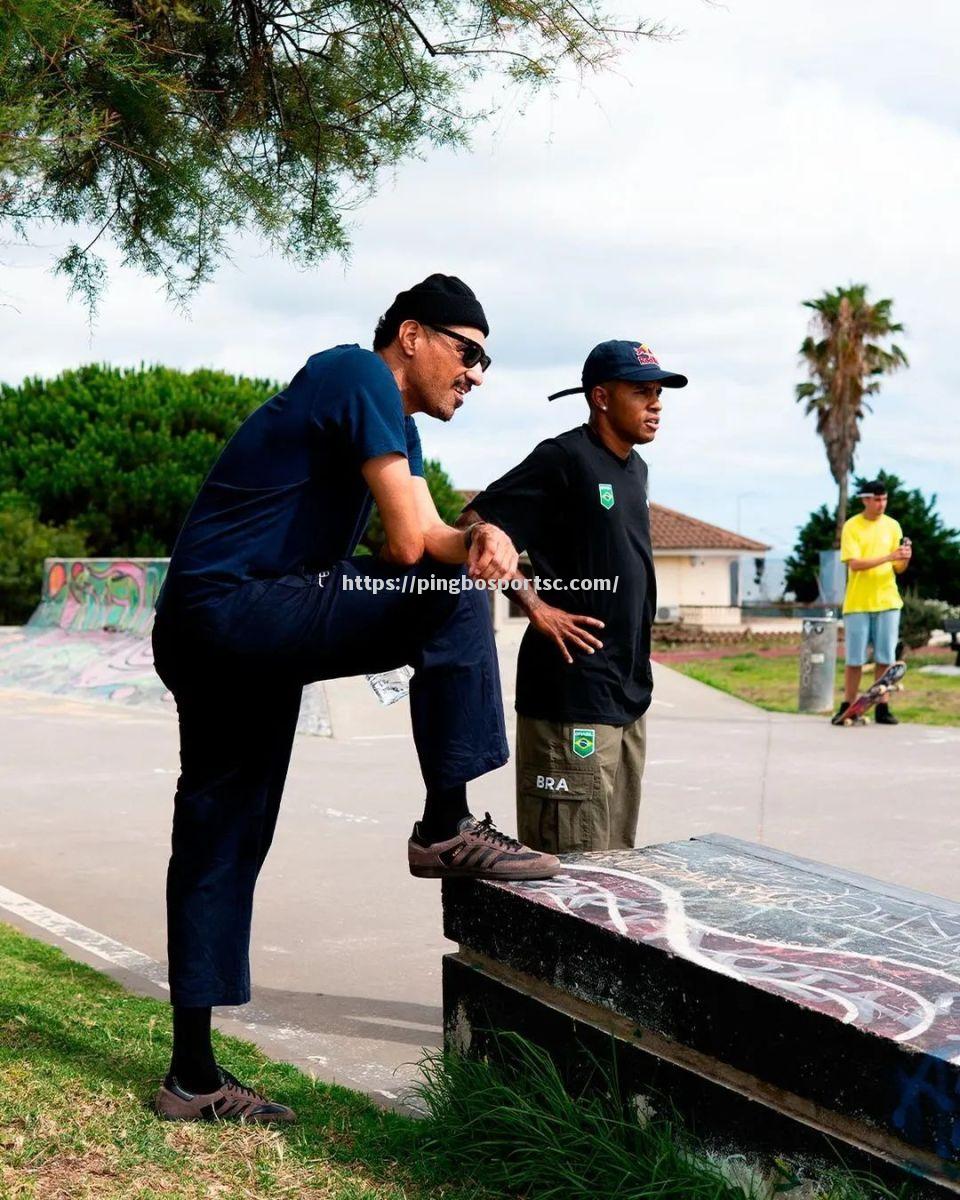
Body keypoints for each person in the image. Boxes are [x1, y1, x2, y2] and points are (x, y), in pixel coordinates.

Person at [151, 274, 560, 1124]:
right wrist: (460, 549)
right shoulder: (357, 374)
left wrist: (477, 534)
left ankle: (191, 1075)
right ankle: (445, 823)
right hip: (242, 603)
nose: (477, 374)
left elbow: (421, 540)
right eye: (468, 351)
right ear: (411, 335)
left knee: (220, 835)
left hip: (215, 628)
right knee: (452, 599)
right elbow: (417, 550)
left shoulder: (392, 428)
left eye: (488, 363)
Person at [461, 340, 687, 854]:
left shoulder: (636, 470)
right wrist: (534, 605)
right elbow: (474, 525)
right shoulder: (562, 458)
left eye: (659, 393)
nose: (656, 404)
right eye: (642, 392)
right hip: (571, 693)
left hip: (626, 695)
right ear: (601, 398)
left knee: (615, 865)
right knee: (568, 870)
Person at [835, 480, 912, 725]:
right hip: (858, 603)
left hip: (888, 601)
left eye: (884, 499)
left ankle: (882, 707)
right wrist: (889, 556)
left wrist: (903, 558)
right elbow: (854, 563)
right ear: (865, 500)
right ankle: (847, 704)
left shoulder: (893, 526)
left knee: (885, 658)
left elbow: (899, 568)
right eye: (877, 500)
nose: (881, 504)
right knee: (854, 659)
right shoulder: (852, 527)